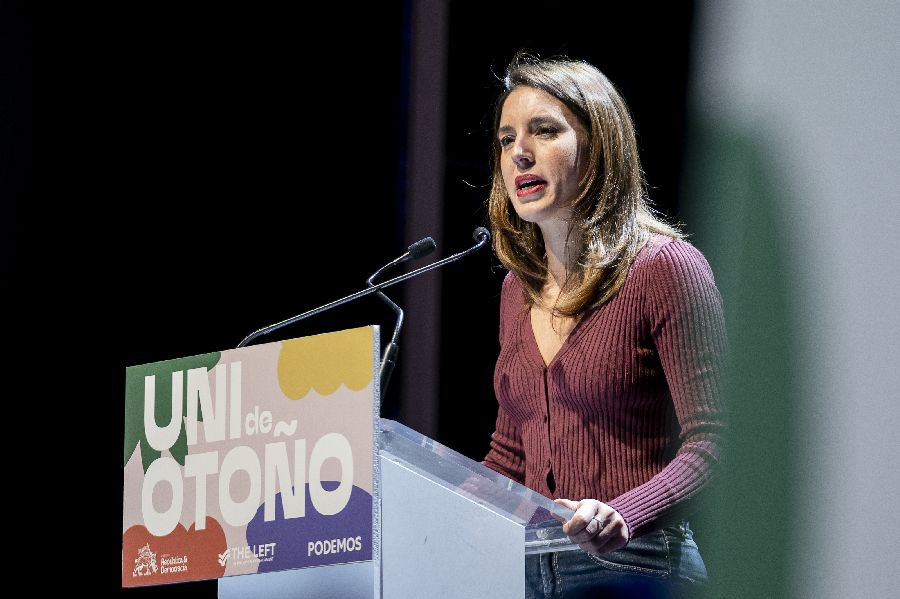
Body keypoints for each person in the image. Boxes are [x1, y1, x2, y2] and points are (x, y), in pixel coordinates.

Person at [481, 53, 727, 598]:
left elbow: (715, 442)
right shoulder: (517, 290)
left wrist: (624, 513)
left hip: (641, 567)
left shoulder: (664, 268)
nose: (519, 152)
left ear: (598, 146)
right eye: (506, 139)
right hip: (529, 573)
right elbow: (511, 456)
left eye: (545, 131)